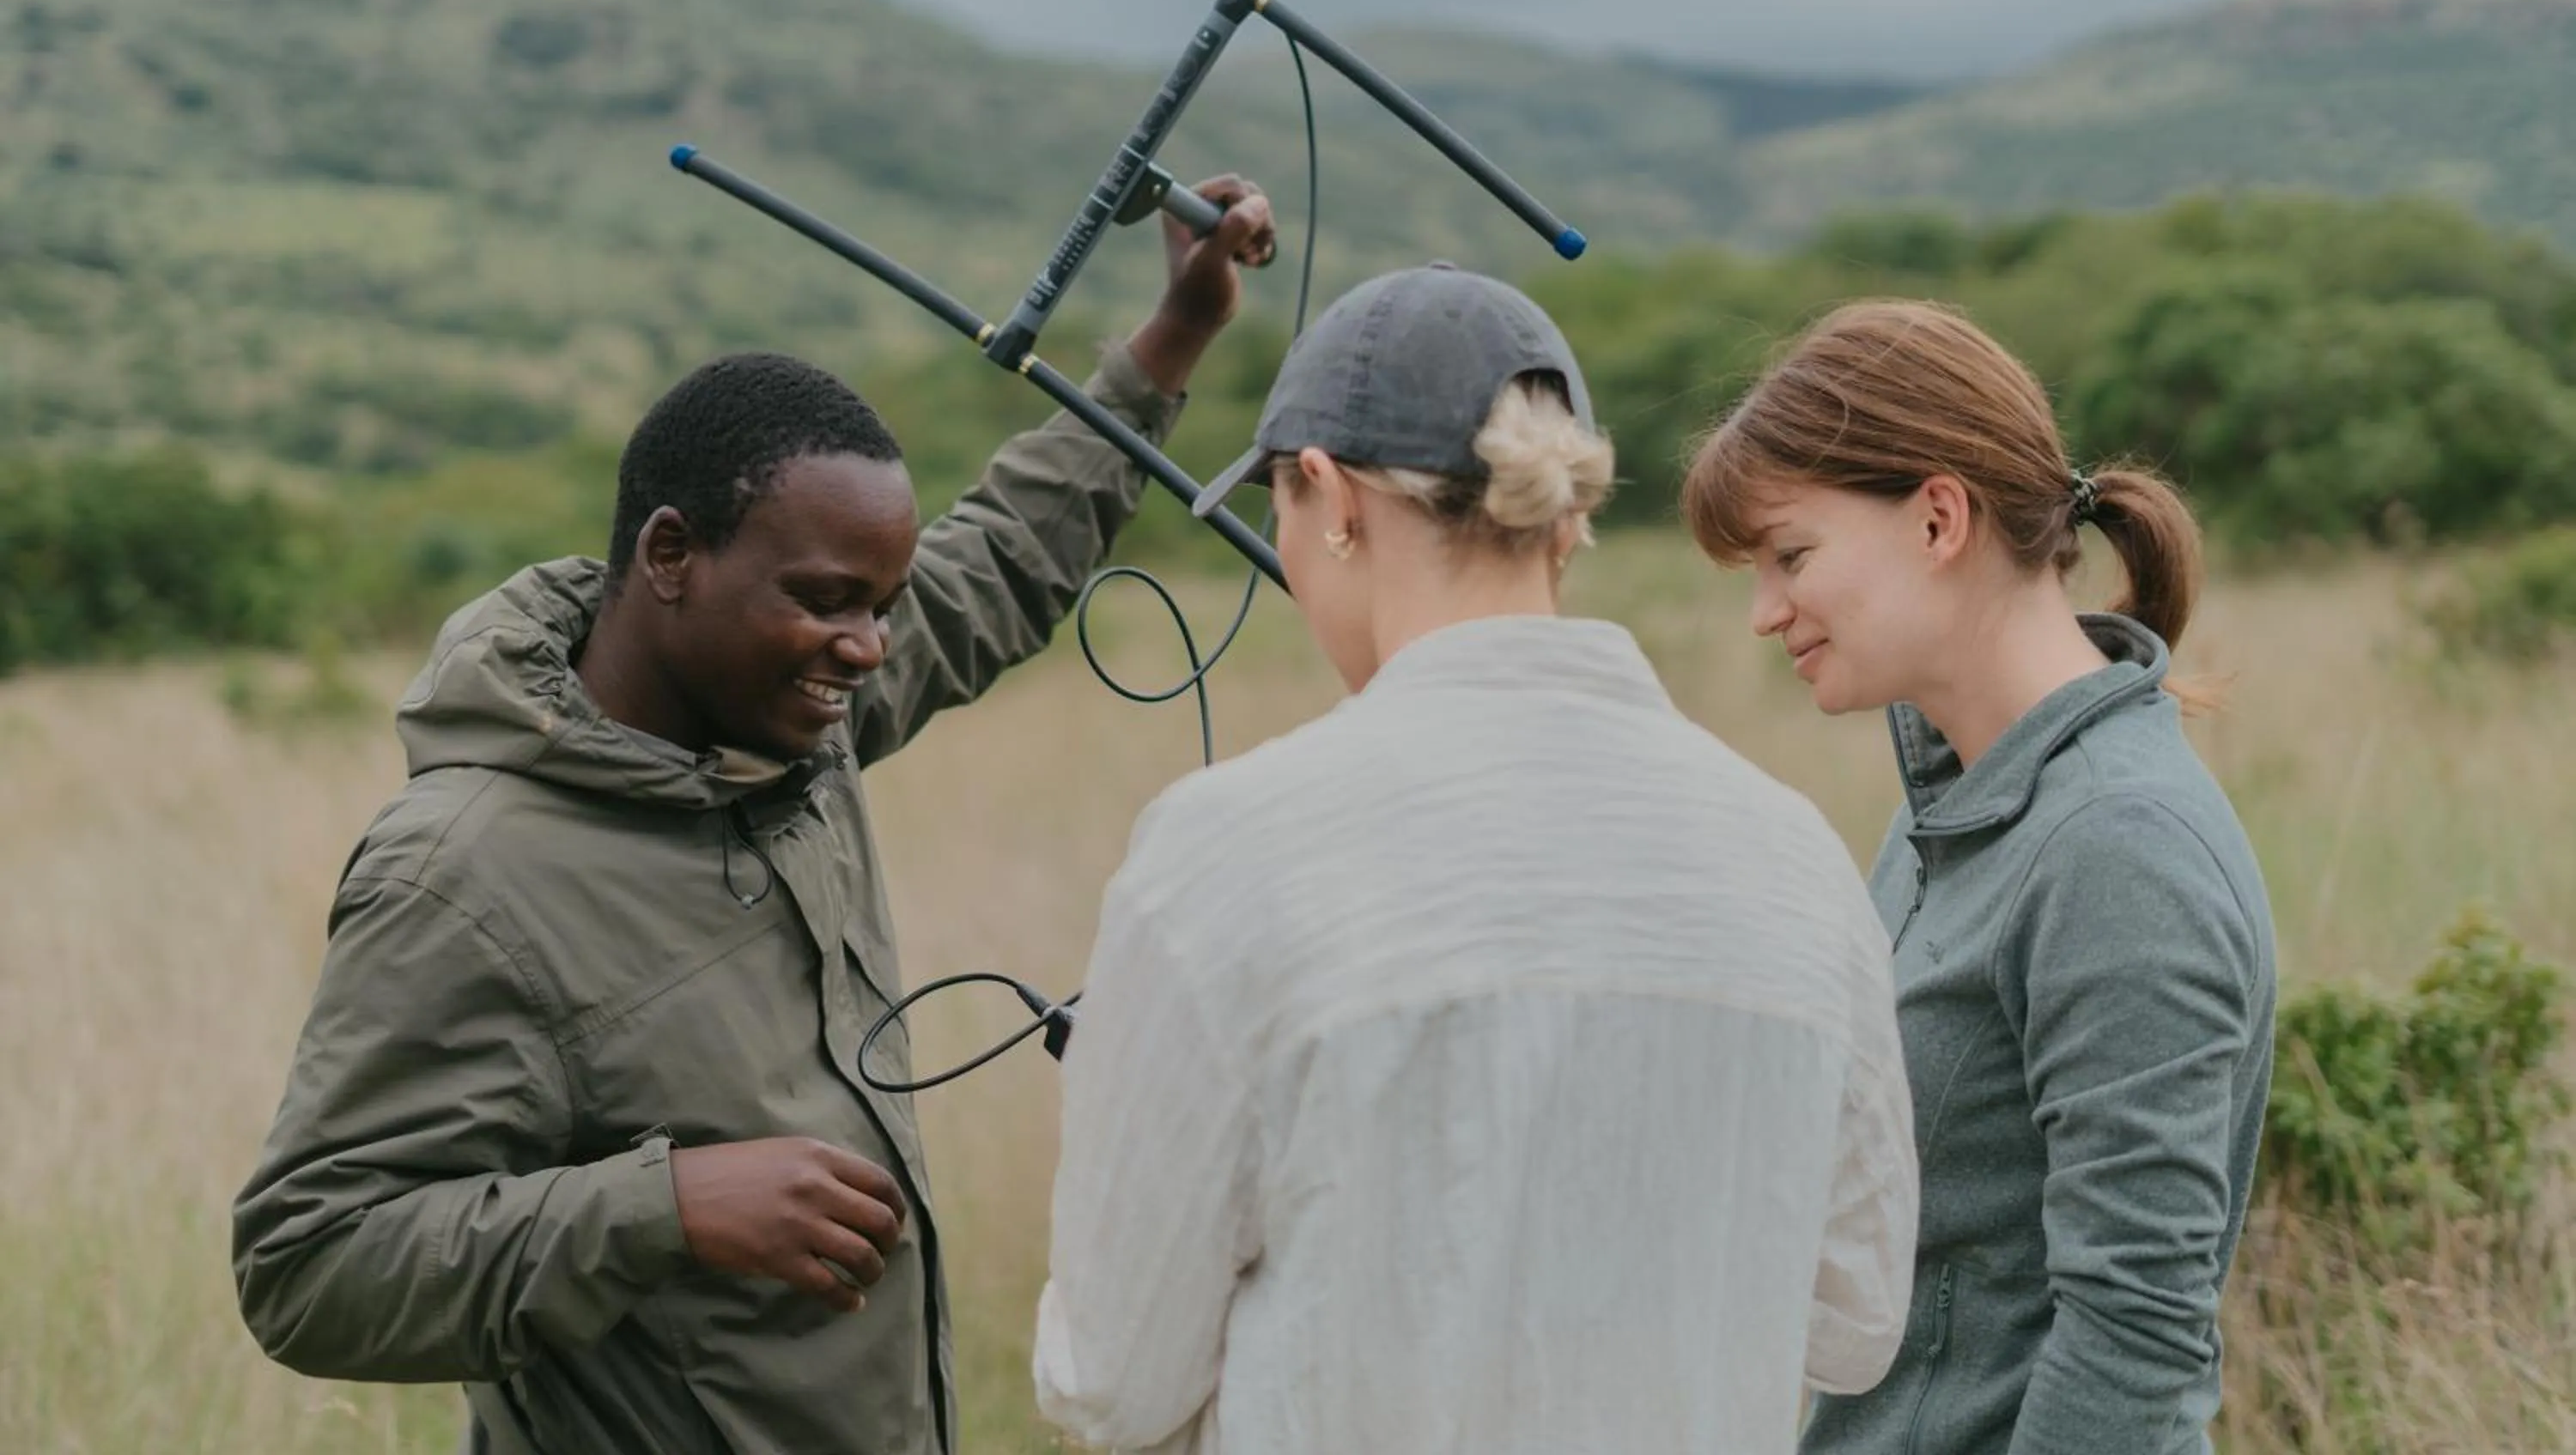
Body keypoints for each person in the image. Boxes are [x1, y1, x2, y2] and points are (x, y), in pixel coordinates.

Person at [229, 179, 1279, 1455]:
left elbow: (998, 558)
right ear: (671, 557)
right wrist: (662, 1206)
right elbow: (308, 1265)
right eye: (831, 600)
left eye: (881, 605)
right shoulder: (463, 874)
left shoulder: (785, 725)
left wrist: (1172, 335)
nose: (869, 648)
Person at [1030, 263, 1919, 1455]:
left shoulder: (1226, 852)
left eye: (1283, 514)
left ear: (1327, 496)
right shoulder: (1796, 860)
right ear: (1563, 518)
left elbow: (1109, 1382)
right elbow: (1857, 1323)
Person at [1680, 299, 2279, 1455]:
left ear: (1939, 517)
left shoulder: (2120, 847)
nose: (1765, 612)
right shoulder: (1949, 808)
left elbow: (2138, 1342)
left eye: (1790, 555)